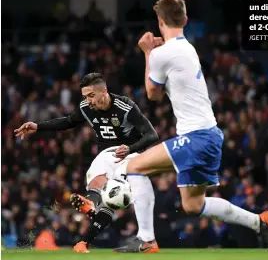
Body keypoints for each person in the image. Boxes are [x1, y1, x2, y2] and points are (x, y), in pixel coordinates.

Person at [114, 0, 268, 253]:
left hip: (196, 137)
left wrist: (148, 52)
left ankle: (146, 239)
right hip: (211, 135)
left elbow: (152, 94)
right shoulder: (187, 47)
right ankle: (259, 222)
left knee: (135, 167)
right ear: (186, 20)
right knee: (193, 205)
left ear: (160, 21)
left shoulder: (162, 54)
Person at [14, 72, 161, 253]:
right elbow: (68, 121)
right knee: (98, 187)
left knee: (113, 193)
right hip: (106, 155)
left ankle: (136, 233)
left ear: (104, 92)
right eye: (85, 96)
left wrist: (130, 149)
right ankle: (84, 239)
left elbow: (152, 135)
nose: (88, 100)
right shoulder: (86, 107)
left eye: (91, 95)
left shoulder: (125, 107)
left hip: (132, 155)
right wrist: (38, 126)